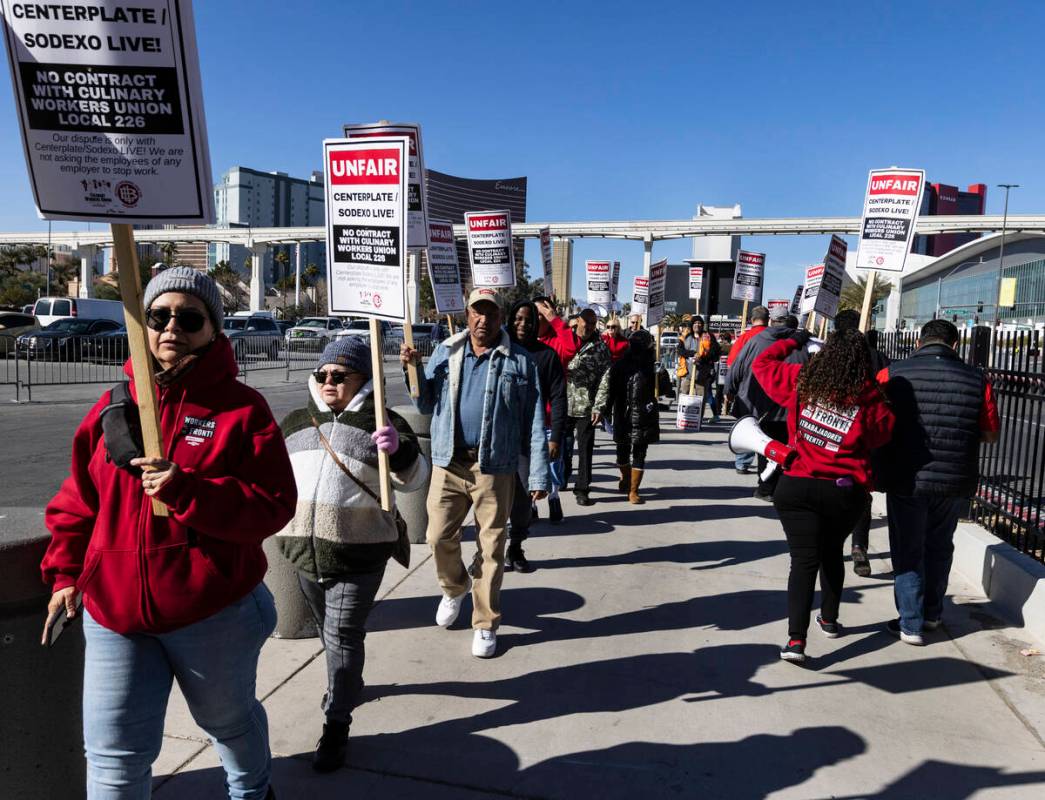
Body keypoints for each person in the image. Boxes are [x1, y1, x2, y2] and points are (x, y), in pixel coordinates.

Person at [40, 267, 297, 799]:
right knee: (112, 757)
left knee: (228, 725)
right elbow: (77, 504)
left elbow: (273, 505)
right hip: (114, 613)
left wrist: (190, 491)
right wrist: (66, 574)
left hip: (213, 610)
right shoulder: (113, 408)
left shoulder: (243, 410)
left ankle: (253, 791)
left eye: (190, 317)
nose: (171, 328)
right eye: (158, 316)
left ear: (213, 330)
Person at [276, 337, 428, 772]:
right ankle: (346, 682)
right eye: (323, 374)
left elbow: (415, 481)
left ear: (364, 379)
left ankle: (336, 723)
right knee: (332, 635)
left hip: (359, 554)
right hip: (304, 555)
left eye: (339, 376)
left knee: (342, 635)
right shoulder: (295, 422)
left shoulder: (384, 422)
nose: (328, 382)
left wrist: (399, 450)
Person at [400, 288, 549, 658]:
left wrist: (538, 475)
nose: (484, 320)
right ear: (467, 314)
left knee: (492, 547)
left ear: (501, 317)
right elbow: (424, 401)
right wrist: (413, 369)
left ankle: (484, 622)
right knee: (437, 536)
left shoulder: (520, 361)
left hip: (494, 467)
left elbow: (534, 420)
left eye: (491, 313)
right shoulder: (447, 350)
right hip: (449, 462)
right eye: (477, 312)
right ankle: (454, 587)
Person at [753, 328, 895, 663]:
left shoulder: (801, 380)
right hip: (844, 492)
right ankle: (829, 620)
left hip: (797, 485)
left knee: (803, 561)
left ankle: (796, 642)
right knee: (831, 551)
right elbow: (882, 434)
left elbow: (762, 363)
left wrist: (794, 340)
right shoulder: (869, 394)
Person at [873, 319, 999, 645]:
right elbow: (990, 433)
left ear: (919, 341)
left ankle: (910, 623)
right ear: (955, 344)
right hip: (954, 478)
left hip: (906, 477)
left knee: (908, 548)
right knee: (940, 545)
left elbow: (874, 423)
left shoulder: (892, 373)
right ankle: (932, 613)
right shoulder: (977, 379)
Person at [505, 299, 568, 572]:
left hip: (527, 441)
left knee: (521, 501)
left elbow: (559, 396)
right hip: (495, 437)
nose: (522, 324)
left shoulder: (546, 356)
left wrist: (555, 438)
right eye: (517, 318)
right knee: (489, 501)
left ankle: (515, 548)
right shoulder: (500, 350)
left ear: (537, 324)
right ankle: (485, 554)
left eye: (529, 320)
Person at [726, 305, 811, 499]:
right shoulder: (802, 343)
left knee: (765, 447)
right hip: (791, 406)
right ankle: (778, 487)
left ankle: (765, 489)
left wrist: (729, 391)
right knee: (787, 446)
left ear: (771, 321)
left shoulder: (756, 341)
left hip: (760, 406)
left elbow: (736, 369)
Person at [833, 309, 890, 578]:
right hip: (862, 438)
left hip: (832, 437)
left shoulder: (827, 357)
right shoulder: (877, 357)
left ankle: (847, 547)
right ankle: (858, 546)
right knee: (860, 496)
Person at [602, 329, 660, 504]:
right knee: (622, 453)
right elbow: (610, 390)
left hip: (644, 416)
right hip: (623, 414)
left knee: (640, 454)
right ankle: (625, 478)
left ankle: (634, 490)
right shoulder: (620, 366)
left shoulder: (652, 366)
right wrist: (605, 411)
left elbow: (664, 390)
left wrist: (660, 376)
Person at [563, 307, 612, 506]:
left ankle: (582, 488)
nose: (590, 326)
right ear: (578, 321)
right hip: (563, 403)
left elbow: (605, 379)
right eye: (586, 322)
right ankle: (562, 477)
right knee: (562, 447)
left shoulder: (600, 348)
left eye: (593, 323)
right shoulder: (565, 340)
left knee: (585, 450)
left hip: (586, 406)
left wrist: (599, 407)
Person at [676, 315, 722, 422]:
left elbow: (715, 352)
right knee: (684, 397)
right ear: (692, 325)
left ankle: (697, 421)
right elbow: (680, 350)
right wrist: (692, 354)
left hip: (702, 376)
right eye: (695, 323)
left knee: (700, 400)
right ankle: (683, 419)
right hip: (687, 375)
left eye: (699, 323)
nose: (697, 325)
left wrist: (702, 357)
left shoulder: (708, 336)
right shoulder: (686, 337)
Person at [716, 331, 733, 415]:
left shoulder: (720, 346)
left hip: (720, 371)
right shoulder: (732, 347)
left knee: (719, 391)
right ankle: (727, 409)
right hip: (730, 371)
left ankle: (718, 409)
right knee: (728, 391)